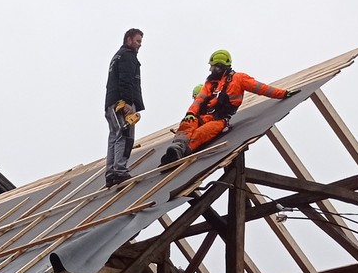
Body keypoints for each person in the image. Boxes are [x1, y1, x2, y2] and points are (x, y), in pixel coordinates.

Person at [159, 49, 298, 165]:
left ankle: (182, 152)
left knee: (202, 133)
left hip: (219, 120)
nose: (210, 69)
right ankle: (176, 149)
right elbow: (199, 100)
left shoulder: (239, 79)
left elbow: (261, 88)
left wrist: (283, 94)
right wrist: (190, 113)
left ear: (219, 66)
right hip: (203, 116)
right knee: (186, 124)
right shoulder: (210, 83)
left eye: (212, 66)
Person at [104, 27, 144, 187]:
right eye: (138, 41)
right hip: (121, 102)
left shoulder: (117, 56)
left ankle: (111, 174)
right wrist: (128, 102)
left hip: (111, 103)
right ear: (129, 40)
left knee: (114, 137)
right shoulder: (128, 56)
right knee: (125, 134)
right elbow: (126, 80)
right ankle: (119, 171)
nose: (140, 45)